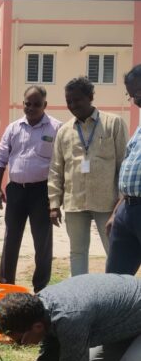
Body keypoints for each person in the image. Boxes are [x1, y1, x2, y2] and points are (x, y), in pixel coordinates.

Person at [0, 273, 141, 361]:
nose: (21, 345)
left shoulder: (69, 317)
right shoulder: (40, 307)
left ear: (37, 327)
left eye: (20, 341)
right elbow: (48, 358)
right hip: (130, 323)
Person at [48, 77, 128, 276]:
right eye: (69, 101)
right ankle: (81, 296)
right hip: (74, 202)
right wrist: (54, 204)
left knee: (114, 250)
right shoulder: (64, 131)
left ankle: (116, 295)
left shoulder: (113, 123)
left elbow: (123, 164)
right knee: (77, 252)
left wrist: (121, 202)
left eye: (77, 100)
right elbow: (56, 168)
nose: (72, 105)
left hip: (107, 203)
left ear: (90, 97)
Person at [0, 86, 61, 292]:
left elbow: (61, 164)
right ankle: (6, 285)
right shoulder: (13, 128)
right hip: (16, 191)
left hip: (42, 192)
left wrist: (56, 200)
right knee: (11, 238)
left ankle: (41, 288)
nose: (31, 108)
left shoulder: (56, 128)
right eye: (27, 104)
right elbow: (0, 159)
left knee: (42, 241)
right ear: (23, 103)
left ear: (45, 105)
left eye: (36, 104)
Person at [106, 65, 141, 275]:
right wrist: (116, 212)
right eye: (131, 96)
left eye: (137, 93)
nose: (135, 101)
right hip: (127, 211)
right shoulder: (138, 128)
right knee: (115, 282)